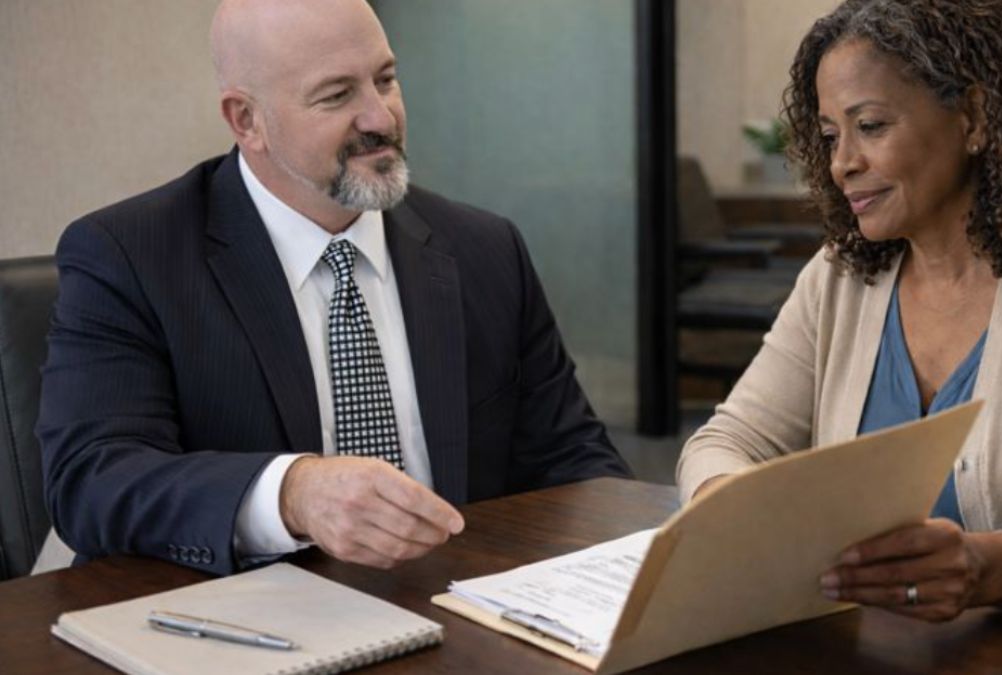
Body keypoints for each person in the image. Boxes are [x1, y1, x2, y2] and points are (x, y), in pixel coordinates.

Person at [37, 0, 631, 577]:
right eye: (338, 95)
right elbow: (93, 480)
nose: (381, 117)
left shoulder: (484, 247)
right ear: (247, 120)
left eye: (386, 79)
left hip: (456, 610)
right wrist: (292, 494)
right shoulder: (131, 254)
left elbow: (574, 461)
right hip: (242, 623)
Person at [676, 0, 1002, 621]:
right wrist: (738, 511)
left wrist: (998, 567)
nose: (843, 162)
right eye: (829, 135)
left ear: (973, 118)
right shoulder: (839, 278)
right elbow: (727, 439)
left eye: (869, 125)